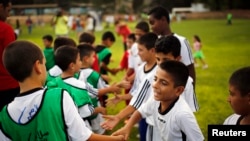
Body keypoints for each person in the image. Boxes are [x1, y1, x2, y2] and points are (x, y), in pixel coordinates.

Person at [0, 40, 124, 141]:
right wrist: (118, 139)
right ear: (38, 66)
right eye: (44, 63)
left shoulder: (4, 115)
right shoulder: (59, 96)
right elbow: (83, 136)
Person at [112, 61, 204, 141]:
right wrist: (127, 127)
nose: (155, 85)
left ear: (178, 90)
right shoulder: (155, 100)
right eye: (155, 79)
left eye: (163, 83)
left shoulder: (182, 115)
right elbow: (140, 112)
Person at [101, 33, 158, 141]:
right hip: (142, 115)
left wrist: (118, 117)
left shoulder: (157, 72)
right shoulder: (141, 68)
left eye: (141, 50)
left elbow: (138, 101)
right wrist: (121, 97)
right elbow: (136, 92)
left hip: (155, 119)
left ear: (152, 50)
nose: (138, 54)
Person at [77, 44, 130, 134]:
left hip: (80, 111)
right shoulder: (93, 74)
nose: (94, 59)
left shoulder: (75, 73)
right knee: (100, 131)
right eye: (93, 56)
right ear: (86, 58)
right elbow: (101, 89)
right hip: (94, 108)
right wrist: (116, 87)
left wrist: (115, 86)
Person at [148, 6, 196, 87]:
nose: (151, 27)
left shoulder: (182, 41)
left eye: (152, 23)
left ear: (163, 20)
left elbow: (190, 68)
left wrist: (190, 92)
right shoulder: (157, 41)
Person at [155, 35, 199, 112]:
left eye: (165, 59)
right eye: (158, 59)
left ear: (177, 59)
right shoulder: (154, 78)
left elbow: (190, 110)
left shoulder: (187, 82)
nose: (161, 63)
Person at [0, 0, 19, 111]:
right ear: (1, 6)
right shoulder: (5, 29)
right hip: (6, 86)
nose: (8, 14)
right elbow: (12, 59)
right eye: (8, 10)